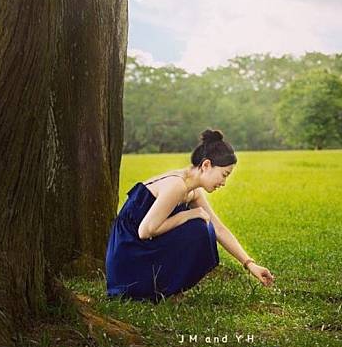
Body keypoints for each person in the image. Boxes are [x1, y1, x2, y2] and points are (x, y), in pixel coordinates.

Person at [105, 128, 275, 301]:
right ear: (206, 165)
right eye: (224, 175)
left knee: (206, 228)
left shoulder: (192, 190)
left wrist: (250, 264)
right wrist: (189, 215)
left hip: (142, 250)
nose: (224, 183)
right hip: (128, 259)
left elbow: (219, 229)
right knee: (198, 227)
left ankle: (166, 289)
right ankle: (155, 290)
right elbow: (145, 231)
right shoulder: (177, 185)